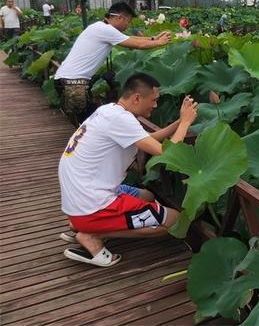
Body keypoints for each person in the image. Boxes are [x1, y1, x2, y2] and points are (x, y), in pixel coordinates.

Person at [58, 72, 198, 267]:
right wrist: (185, 123)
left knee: (147, 196)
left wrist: (178, 122)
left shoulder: (110, 111)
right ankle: (93, 234)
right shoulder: (121, 120)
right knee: (175, 221)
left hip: (81, 198)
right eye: (154, 100)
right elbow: (166, 153)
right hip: (94, 205)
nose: (155, 105)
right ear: (137, 98)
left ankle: (85, 225)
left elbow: (150, 139)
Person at [54, 1, 171, 124]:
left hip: (68, 80)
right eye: (128, 21)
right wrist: (159, 43)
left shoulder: (100, 27)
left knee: (87, 122)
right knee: (88, 124)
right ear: (119, 17)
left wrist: (153, 38)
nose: (128, 25)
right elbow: (137, 44)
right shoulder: (105, 30)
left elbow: (130, 38)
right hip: (73, 83)